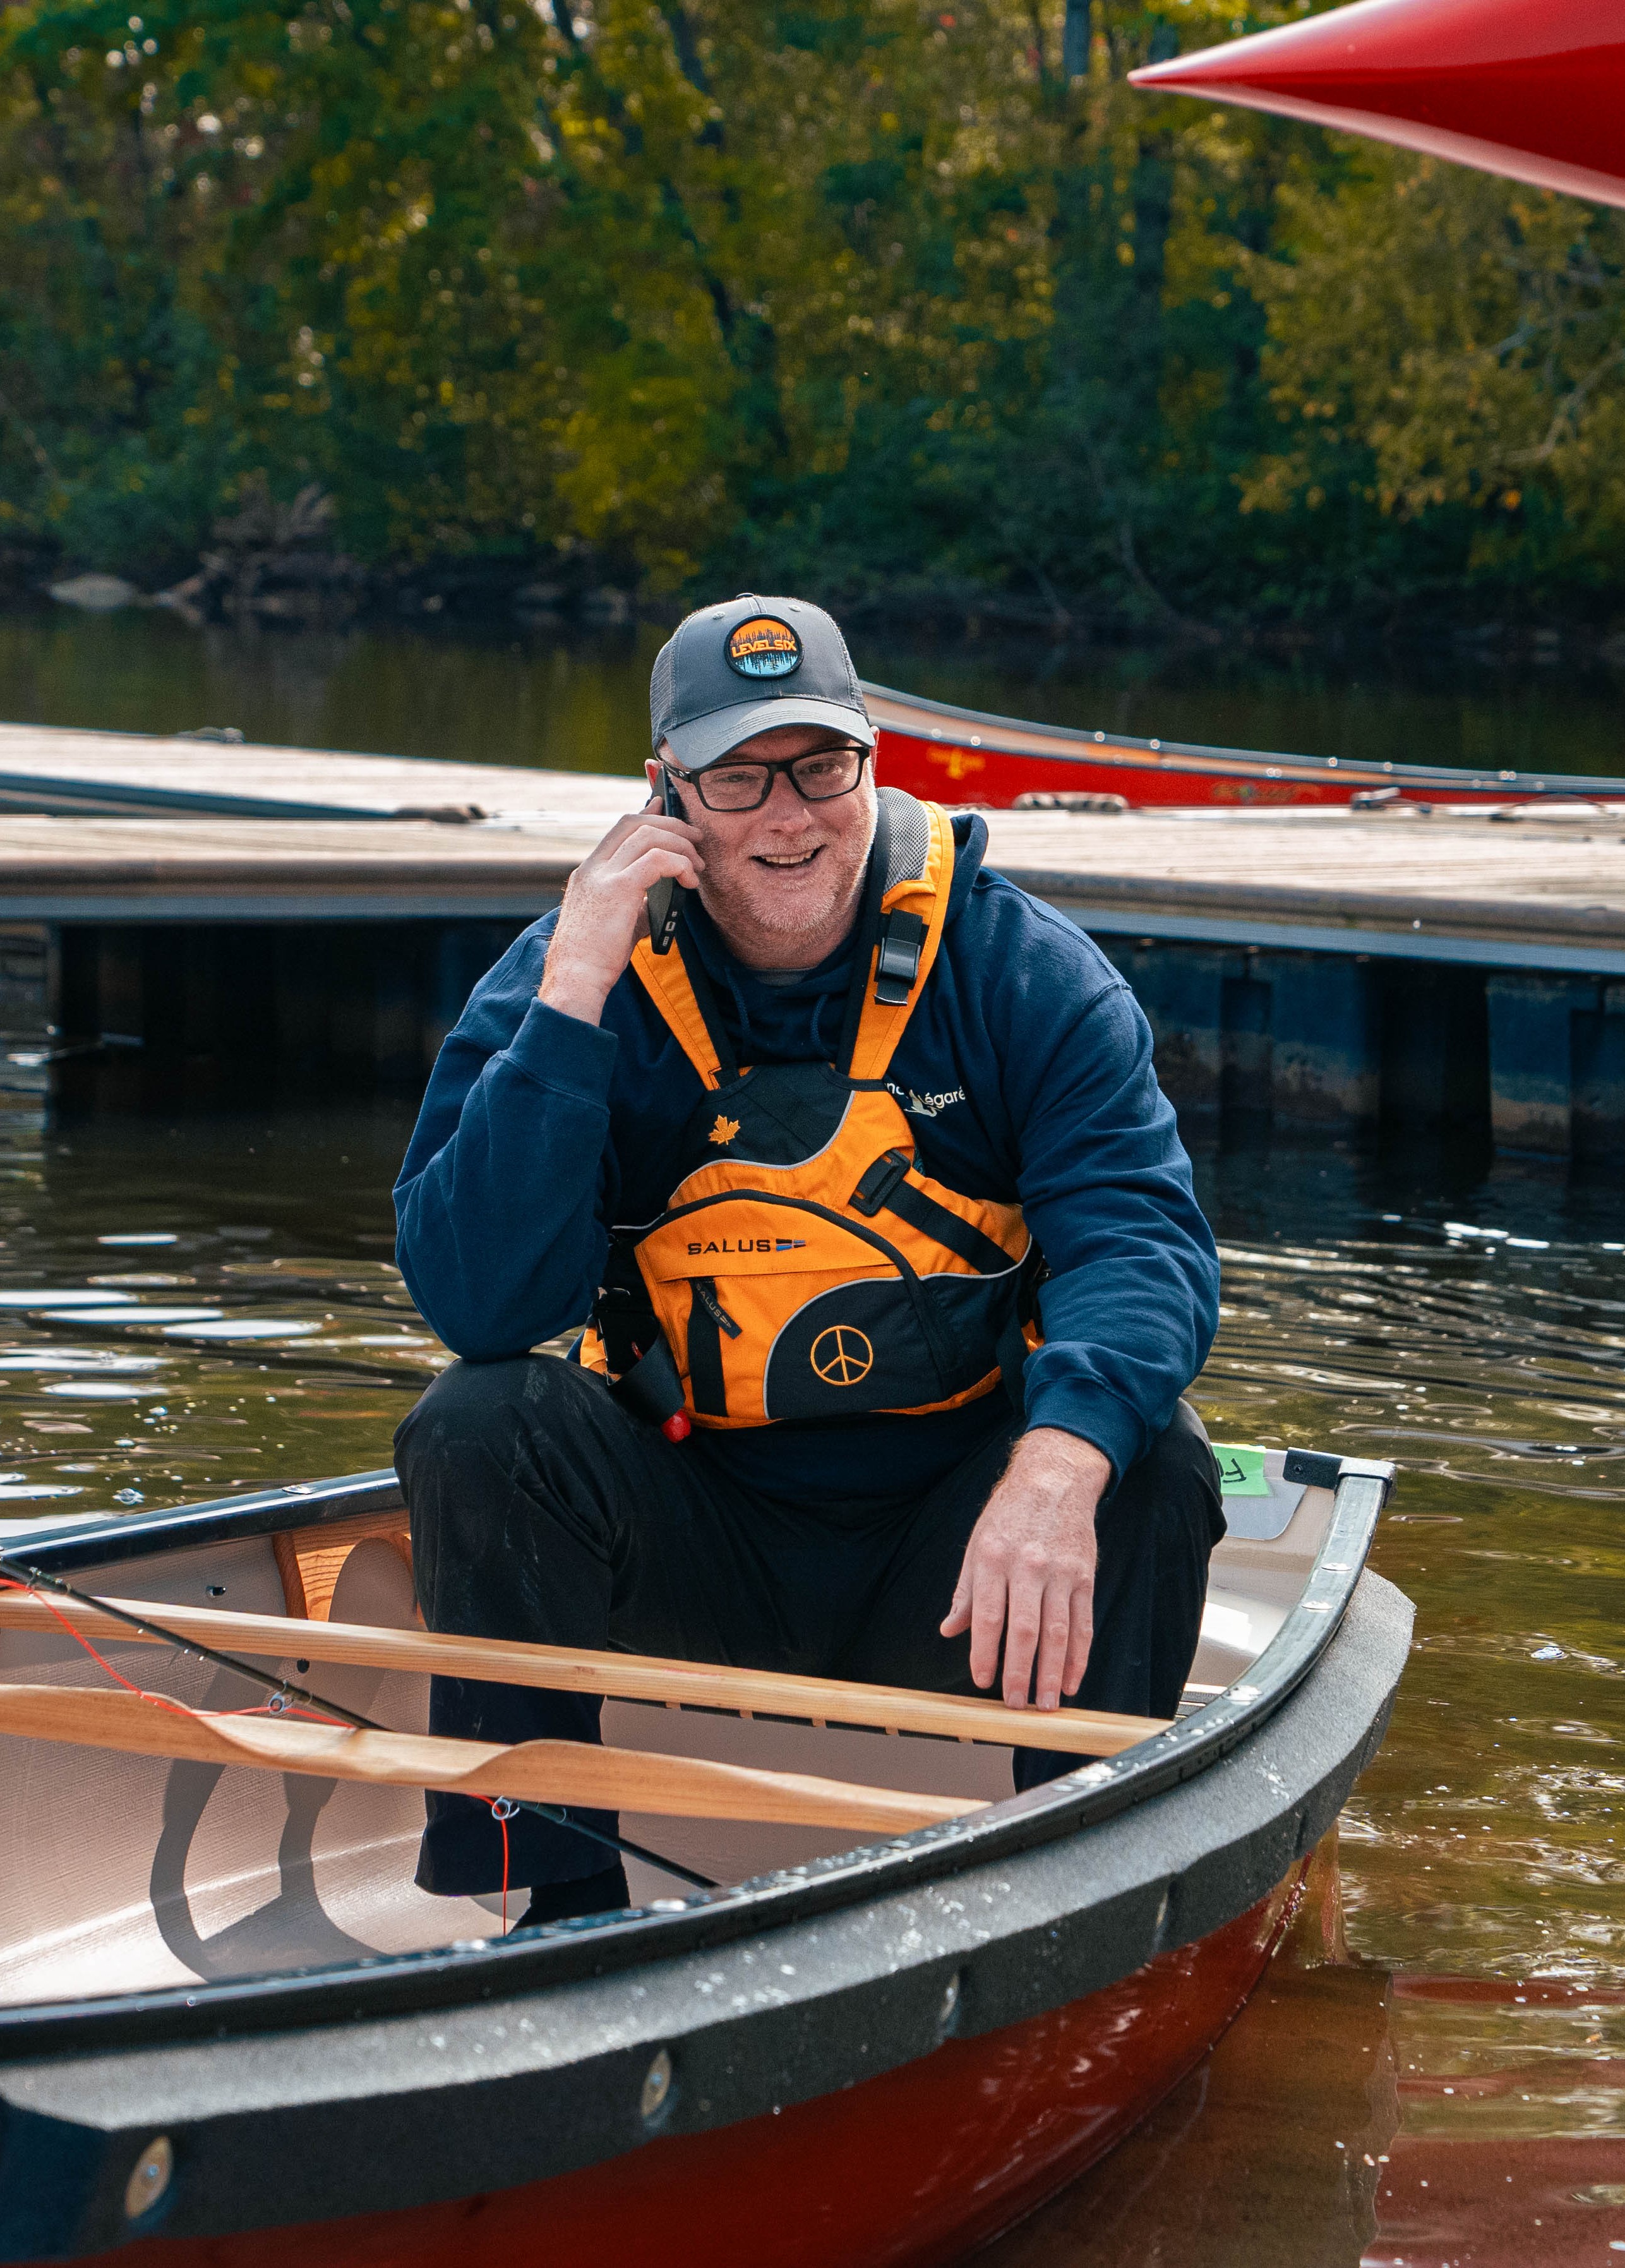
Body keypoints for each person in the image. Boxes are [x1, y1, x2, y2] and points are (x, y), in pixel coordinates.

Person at [393, 594, 1223, 1926]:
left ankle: (1078, 1892)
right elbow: (476, 1304)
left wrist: (1059, 1463)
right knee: (479, 1421)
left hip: (952, 1559)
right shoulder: (569, 976)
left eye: (817, 765)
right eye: (736, 776)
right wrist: (570, 1001)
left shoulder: (1020, 972)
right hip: (696, 1533)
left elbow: (1139, 1236)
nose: (787, 815)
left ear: (870, 762)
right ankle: (552, 1905)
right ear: (664, 793)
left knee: (1149, 1452)